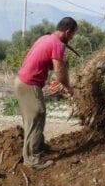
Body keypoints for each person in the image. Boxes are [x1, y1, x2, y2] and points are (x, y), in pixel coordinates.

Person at [15, 17, 77, 169]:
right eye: (72, 35)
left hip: (21, 81)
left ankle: (39, 147)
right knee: (37, 115)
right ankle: (32, 160)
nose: (72, 38)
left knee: (33, 118)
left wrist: (50, 79)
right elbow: (59, 70)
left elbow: (31, 57)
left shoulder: (45, 38)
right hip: (29, 84)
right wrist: (67, 87)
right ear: (67, 32)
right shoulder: (58, 44)